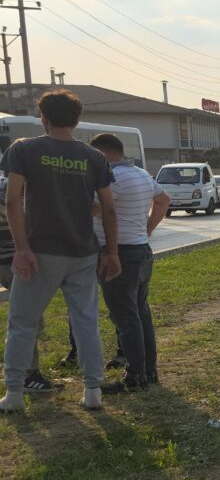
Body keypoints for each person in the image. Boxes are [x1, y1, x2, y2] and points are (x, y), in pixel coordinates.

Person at [0, 89, 120, 413]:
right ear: (77, 120)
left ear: (44, 118)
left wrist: (22, 249)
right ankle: (93, 390)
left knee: (23, 322)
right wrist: (112, 252)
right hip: (83, 253)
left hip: (40, 251)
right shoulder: (94, 157)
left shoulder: (24, 149)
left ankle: (14, 394)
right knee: (86, 321)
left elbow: (12, 200)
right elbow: (109, 208)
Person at [88, 133, 168, 391]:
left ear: (101, 154)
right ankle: (148, 371)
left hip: (118, 253)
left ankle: (135, 376)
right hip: (141, 250)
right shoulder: (142, 174)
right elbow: (164, 199)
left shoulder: (113, 178)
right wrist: (148, 228)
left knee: (125, 317)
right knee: (140, 313)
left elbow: (95, 209)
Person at [0, 175, 59, 393]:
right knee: (28, 321)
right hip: (17, 262)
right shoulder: (24, 189)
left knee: (22, 319)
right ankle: (28, 375)